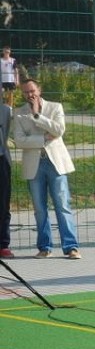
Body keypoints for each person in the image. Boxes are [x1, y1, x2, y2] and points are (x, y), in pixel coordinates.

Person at [11, 79, 81, 259]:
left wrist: (37, 116)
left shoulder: (55, 107)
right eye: (26, 92)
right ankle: (44, 247)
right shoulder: (18, 113)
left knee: (62, 205)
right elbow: (19, 140)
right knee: (39, 208)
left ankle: (71, 247)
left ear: (39, 90)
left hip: (55, 162)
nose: (30, 95)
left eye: (32, 91)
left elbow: (59, 130)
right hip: (35, 165)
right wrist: (43, 139)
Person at [0, 102, 13, 258]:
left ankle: (3, 244)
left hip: (1, 159)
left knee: (3, 203)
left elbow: (8, 133)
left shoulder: (5, 110)